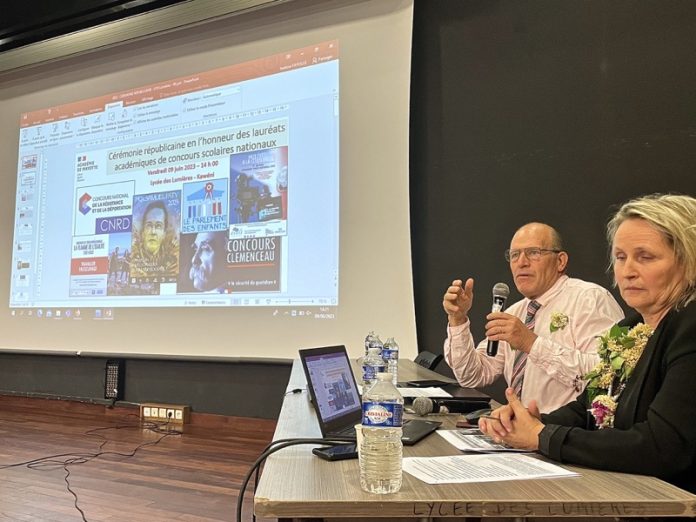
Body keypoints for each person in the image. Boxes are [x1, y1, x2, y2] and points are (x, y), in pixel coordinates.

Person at [480, 195, 696, 494]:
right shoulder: (630, 328)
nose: (627, 271)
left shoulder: (689, 326)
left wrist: (544, 437)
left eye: (645, 257)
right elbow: (588, 409)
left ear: (688, 262)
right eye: (620, 257)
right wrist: (530, 421)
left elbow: (663, 446)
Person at [443, 222, 623, 413]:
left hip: (567, 434)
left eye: (534, 252)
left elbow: (607, 375)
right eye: (514, 255)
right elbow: (473, 376)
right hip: (518, 433)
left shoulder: (589, 299)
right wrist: (458, 320)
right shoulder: (514, 312)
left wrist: (531, 343)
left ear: (560, 261)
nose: (522, 262)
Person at [131, 200, 178, 277]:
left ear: (164, 233)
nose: (153, 232)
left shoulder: (173, 256)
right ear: (143, 231)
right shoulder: (133, 255)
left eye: (158, 226)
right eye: (149, 225)